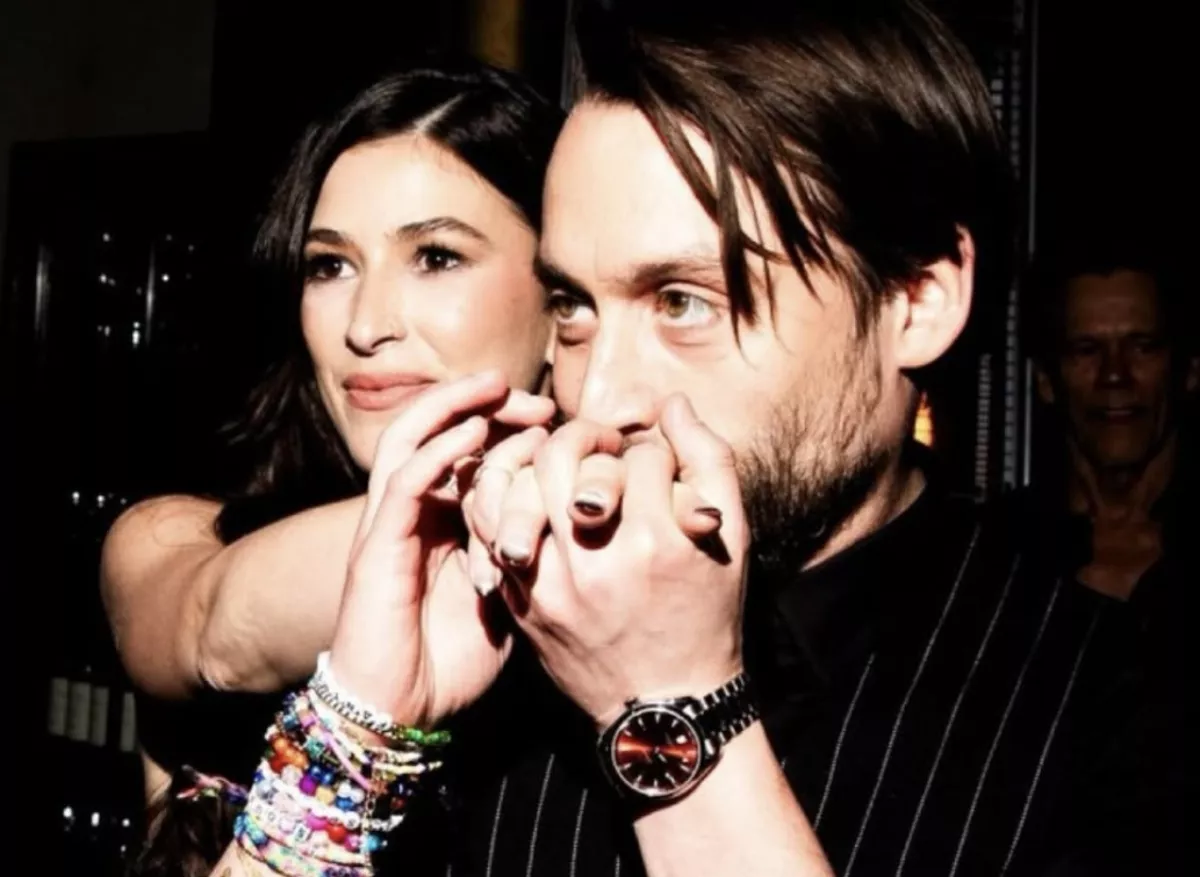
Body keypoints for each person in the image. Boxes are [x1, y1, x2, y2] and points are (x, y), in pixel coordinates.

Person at [213, 2, 1188, 876]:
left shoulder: (1112, 709)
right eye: (574, 305)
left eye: (683, 302)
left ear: (916, 300)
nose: (600, 394)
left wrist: (672, 706)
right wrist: (362, 727)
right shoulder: (506, 641)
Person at [99, 60, 566, 876]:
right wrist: (497, 491)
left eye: (437, 256)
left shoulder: (645, 585)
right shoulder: (171, 537)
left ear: (562, 297)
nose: (365, 324)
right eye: (330, 265)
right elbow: (218, 635)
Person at [1019, 225, 1197, 600]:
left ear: (1189, 370)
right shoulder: (990, 557)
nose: (1114, 374)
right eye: (1086, 350)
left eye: (1142, 346)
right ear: (1045, 380)